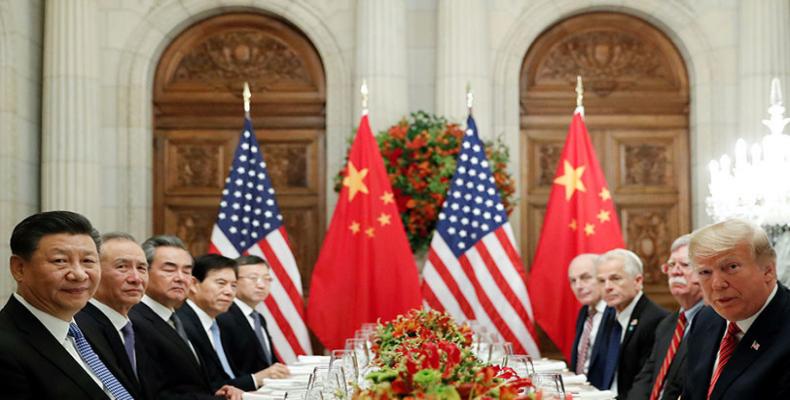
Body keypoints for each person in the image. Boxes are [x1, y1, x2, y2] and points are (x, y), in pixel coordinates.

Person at [0, 211, 135, 399]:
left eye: (88, 261)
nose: (79, 274)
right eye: (60, 261)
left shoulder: (90, 326)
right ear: (19, 268)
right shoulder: (6, 348)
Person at [683, 219, 790, 399]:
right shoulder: (705, 319)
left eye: (731, 267)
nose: (717, 284)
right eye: (705, 272)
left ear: (768, 271)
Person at [129, 235, 242, 400]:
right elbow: (157, 394)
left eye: (187, 271)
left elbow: (187, 382)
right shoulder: (134, 320)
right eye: (169, 269)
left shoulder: (175, 318)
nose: (181, 278)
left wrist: (217, 393)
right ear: (144, 271)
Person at [627, 234, 704, 400]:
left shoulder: (716, 324)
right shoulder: (667, 324)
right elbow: (646, 378)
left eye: (684, 265)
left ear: (704, 271)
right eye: (671, 265)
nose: (675, 271)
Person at [75, 232, 150, 400]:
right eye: (122, 267)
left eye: (141, 268)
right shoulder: (79, 329)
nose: (136, 279)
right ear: (95, 271)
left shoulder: (138, 326)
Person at [176, 254, 261, 391]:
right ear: (193, 284)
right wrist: (255, 379)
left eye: (234, 286)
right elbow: (206, 385)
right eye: (221, 283)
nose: (229, 292)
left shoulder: (221, 323)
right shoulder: (182, 324)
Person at [593, 248, 668, 398]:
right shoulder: (610, 314)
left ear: (638, 281)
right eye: (601, 281)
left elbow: (646, 383)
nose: (607, 287)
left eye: (615, 278)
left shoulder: (655, 320)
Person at [218, 255, 290, 380]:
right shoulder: (223, 316)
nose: (261, 285)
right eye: (253, 278)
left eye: (267, 279)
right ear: (234, 281)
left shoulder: (258, 318)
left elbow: (269, 363)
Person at [567, 253, 614, 389]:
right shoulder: (584, 312)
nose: (578, 286)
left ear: (602, 279)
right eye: (573, 281)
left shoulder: (615, 314)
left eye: (585, 277)